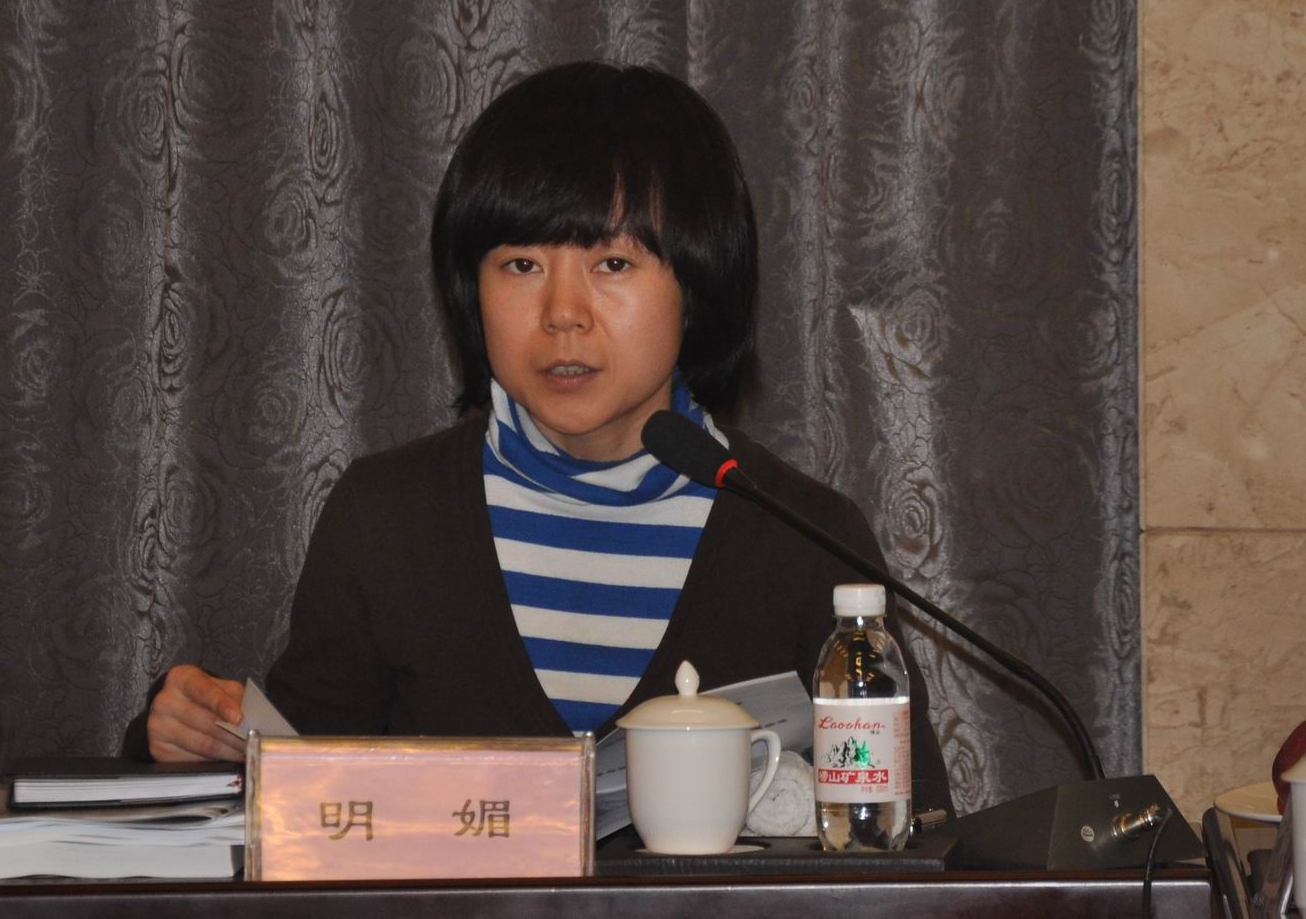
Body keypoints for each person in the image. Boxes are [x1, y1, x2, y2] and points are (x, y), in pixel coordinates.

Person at [125, 61, 953, 814]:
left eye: (612, 264)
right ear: (470, 288)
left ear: (698, 285)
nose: (562, 314)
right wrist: (190, 737)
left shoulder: (803, 537)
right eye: (521, 265)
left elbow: (911, 839)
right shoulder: (388, 519)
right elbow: (294, 800)